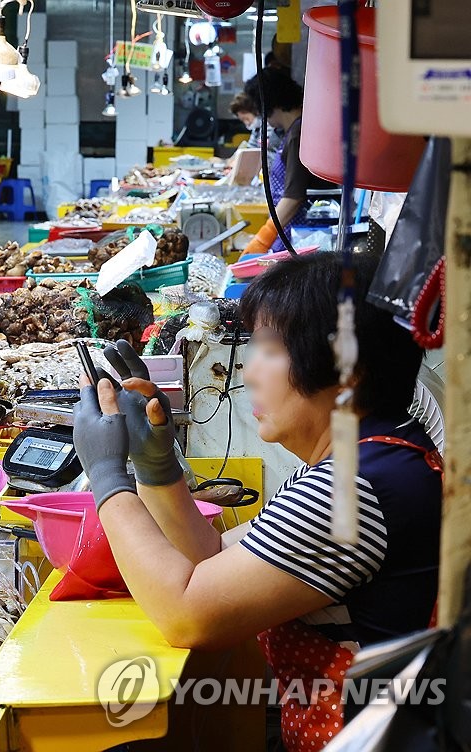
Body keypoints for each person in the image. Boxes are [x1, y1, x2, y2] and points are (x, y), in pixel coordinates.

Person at [72, 252, 441, 752]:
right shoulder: (374, 458)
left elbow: (187, 615)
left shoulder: (350, 490)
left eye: (269, 348)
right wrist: (157, 467)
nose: (248, 372)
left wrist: (108, 477)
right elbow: (211, 561)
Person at [242, 68, 334, 254]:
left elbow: (293, 197)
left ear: (268, 104)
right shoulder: (296, 129)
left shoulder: (298, 134)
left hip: (301, 239)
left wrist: (263, 238)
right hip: (293, 235)